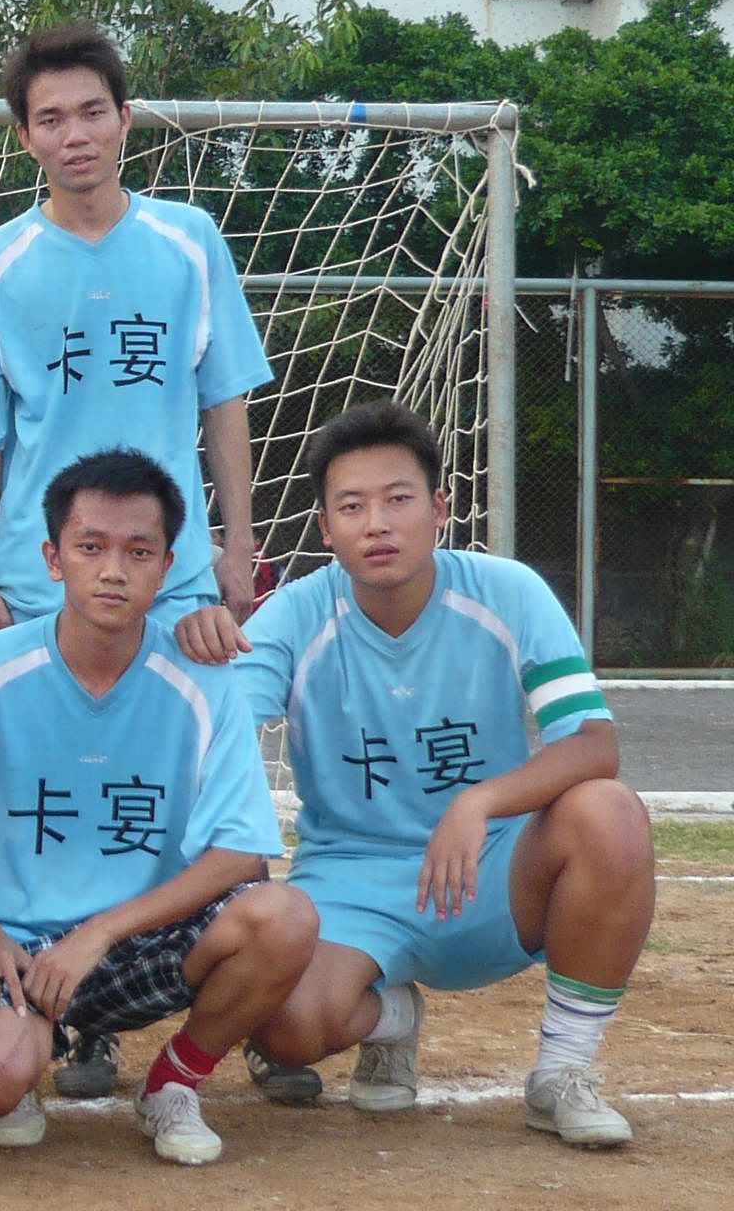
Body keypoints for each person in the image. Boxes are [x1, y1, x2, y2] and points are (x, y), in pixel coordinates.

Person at [177, 400, 655, 1147]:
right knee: (284, 1028)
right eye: (352, 507)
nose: (377, 524)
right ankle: (391, 1017)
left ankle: (563, 1072)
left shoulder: (508, 591)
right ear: (324, 526)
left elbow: (594, 744)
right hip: (352, 882)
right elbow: (211, 734)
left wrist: (479, 802)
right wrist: (188, 639)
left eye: (398, 499)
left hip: (490, 870)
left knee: (609, 811)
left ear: (438, 509)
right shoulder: (296, 616)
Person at [0, 452, 314, 1163]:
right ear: (53, 559)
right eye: (91, 547)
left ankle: (174, 1081)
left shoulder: (204, 683)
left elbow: (243, 851)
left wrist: (102, 931)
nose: (113, 570)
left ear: (168, 567)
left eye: (138, 552)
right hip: (12, 946)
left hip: (140, 941)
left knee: (285, 916)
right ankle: (25, 1044)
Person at [0, 22, 270, 646]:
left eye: (92, 113)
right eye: (51, 120)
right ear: (26, 136)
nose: (76, 135)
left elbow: (224, 401)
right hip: (37, 585)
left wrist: (239, 546)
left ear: (124, 119)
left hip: (171, 582)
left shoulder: (191, 241)